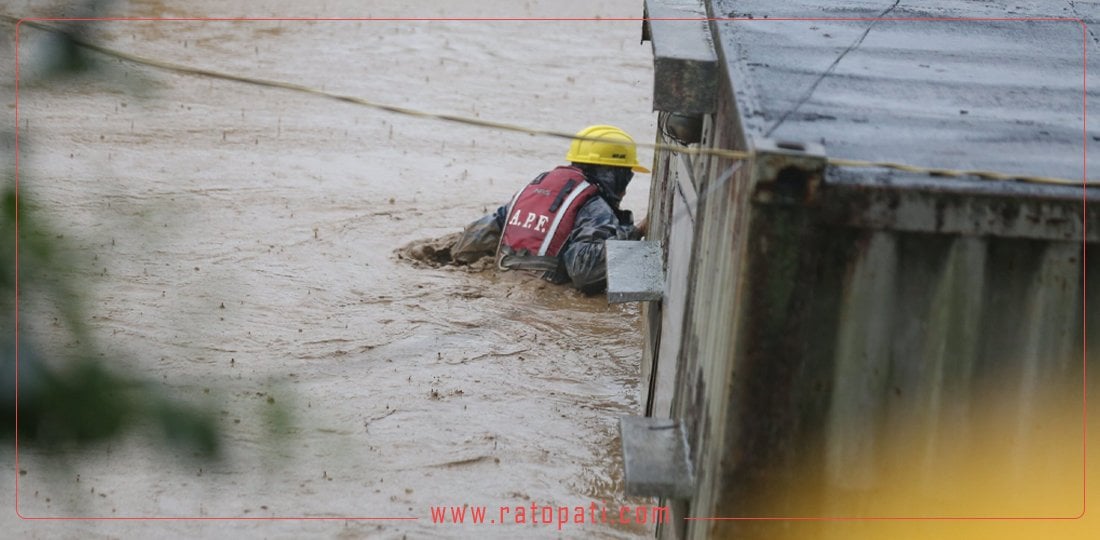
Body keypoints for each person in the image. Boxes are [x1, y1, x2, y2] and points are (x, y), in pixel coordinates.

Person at [451, 125, 649, 294]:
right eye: (626, 176)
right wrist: (635, 232)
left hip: (498, 285)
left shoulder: (535, 189)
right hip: (540, 297)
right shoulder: (595, 208)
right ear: (613, 174)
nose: (624, 190)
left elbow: (467, 246)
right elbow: (584, 273)